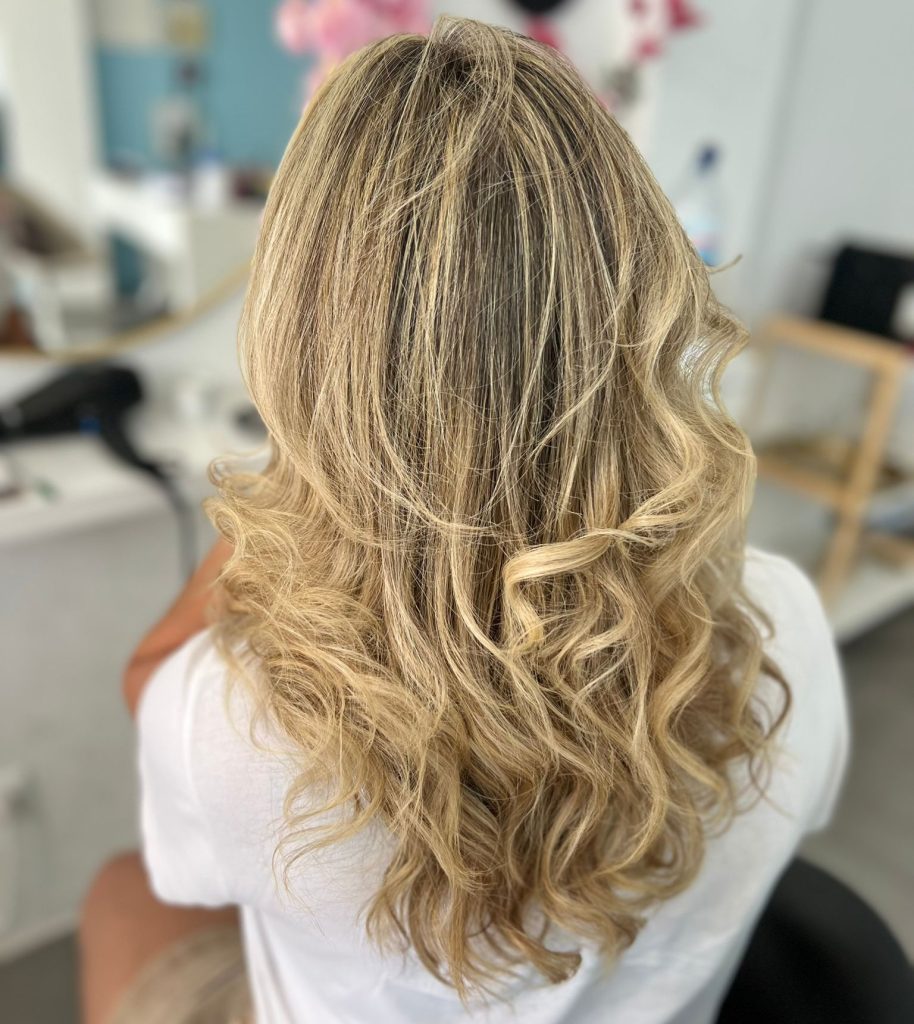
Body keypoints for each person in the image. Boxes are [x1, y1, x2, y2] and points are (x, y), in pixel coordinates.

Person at [79, 16, 848, 1024]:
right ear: (640, 300)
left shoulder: (233, 715)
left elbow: (149, 690)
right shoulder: (784, 633)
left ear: (296, 346)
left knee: (118, 894)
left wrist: (301, 480)